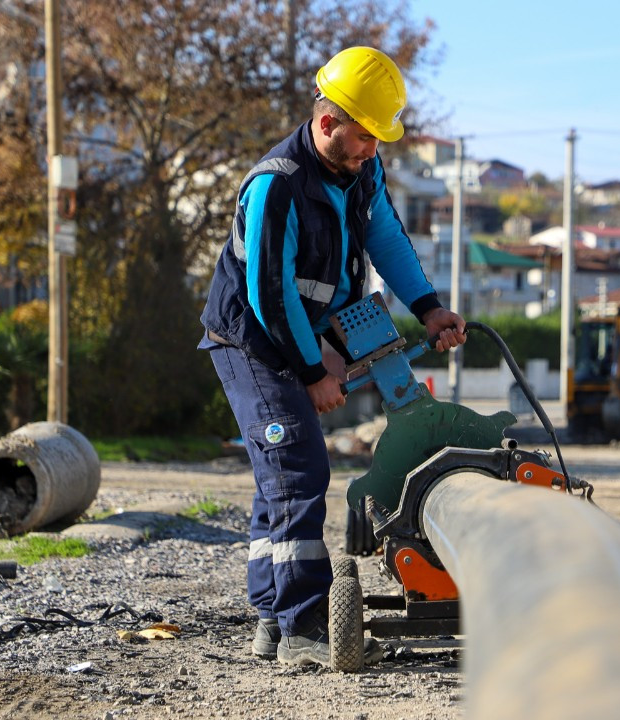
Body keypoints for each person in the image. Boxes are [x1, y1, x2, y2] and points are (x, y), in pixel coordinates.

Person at [199, 46, 466, 668]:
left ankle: (271, 618)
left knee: (280, 477)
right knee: (296, 468)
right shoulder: (276, 186)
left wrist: (428, 308)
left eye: (379, 139)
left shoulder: (359, 173)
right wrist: (316, 371)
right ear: (328, 123)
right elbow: (271, 294)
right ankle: (301, 629)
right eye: (366, 137)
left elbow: (387, 240)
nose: (374, 149)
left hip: (313, 328)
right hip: (254, 341)